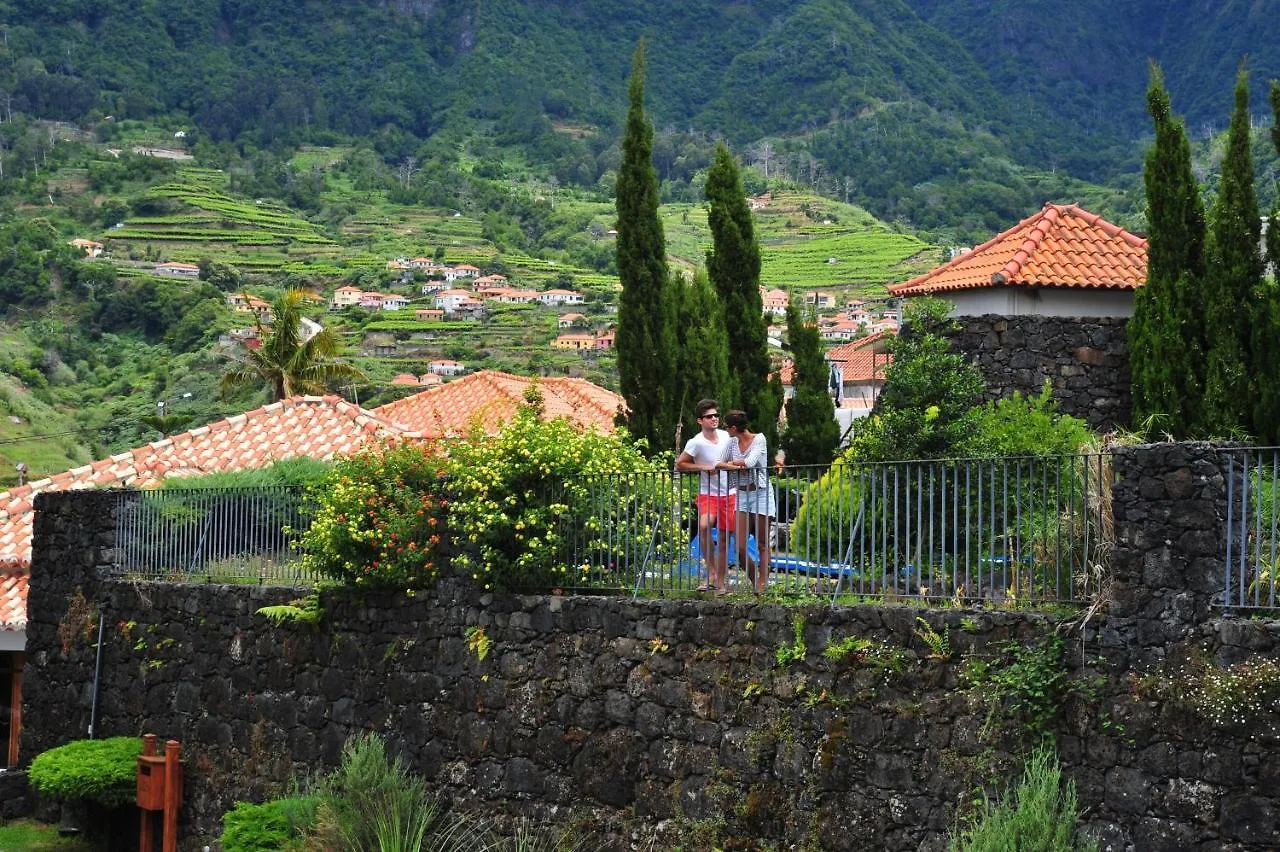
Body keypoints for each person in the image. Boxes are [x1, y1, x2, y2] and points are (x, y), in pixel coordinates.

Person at [676, 398, 734, 594]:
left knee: (725, 537)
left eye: (716, 415)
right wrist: (704, 467)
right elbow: (680, 464)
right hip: (708, 492)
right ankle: (710, 571)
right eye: (709, 416)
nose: (714, 419)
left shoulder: (727, 437)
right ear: (700, 420)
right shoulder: (696, 442)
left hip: (730, 493)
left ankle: (720, 582)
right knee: (703, 526)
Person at [719, 410, 775, 595]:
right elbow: (718, 462)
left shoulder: (759, 439)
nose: (726, 430)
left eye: (727, 427)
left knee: (762, 543)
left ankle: (762, 584)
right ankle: (755, 579)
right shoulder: (731, 442)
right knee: (740, 547)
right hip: (742, 495)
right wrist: (732, 464)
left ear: (733, 428)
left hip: (761, 493)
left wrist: (728, 464)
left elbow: (750, 462)